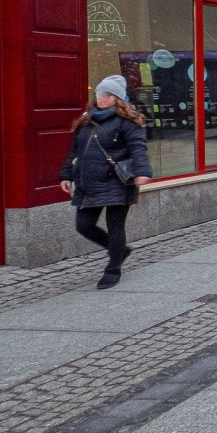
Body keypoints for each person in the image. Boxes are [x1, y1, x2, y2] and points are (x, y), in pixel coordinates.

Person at [59, 75, 153, 290]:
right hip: (89, 183)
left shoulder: (128, 121)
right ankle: (120, 251)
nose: (102, 98)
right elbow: (74, 151)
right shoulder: (86, 120)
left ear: (118, 98)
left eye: (108, 95)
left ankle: (113, 269)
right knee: (83, 225)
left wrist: (142, 171)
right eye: (100, 94)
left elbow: (138, 148)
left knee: (115, 226)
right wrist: (66, 175)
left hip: (117, 182)